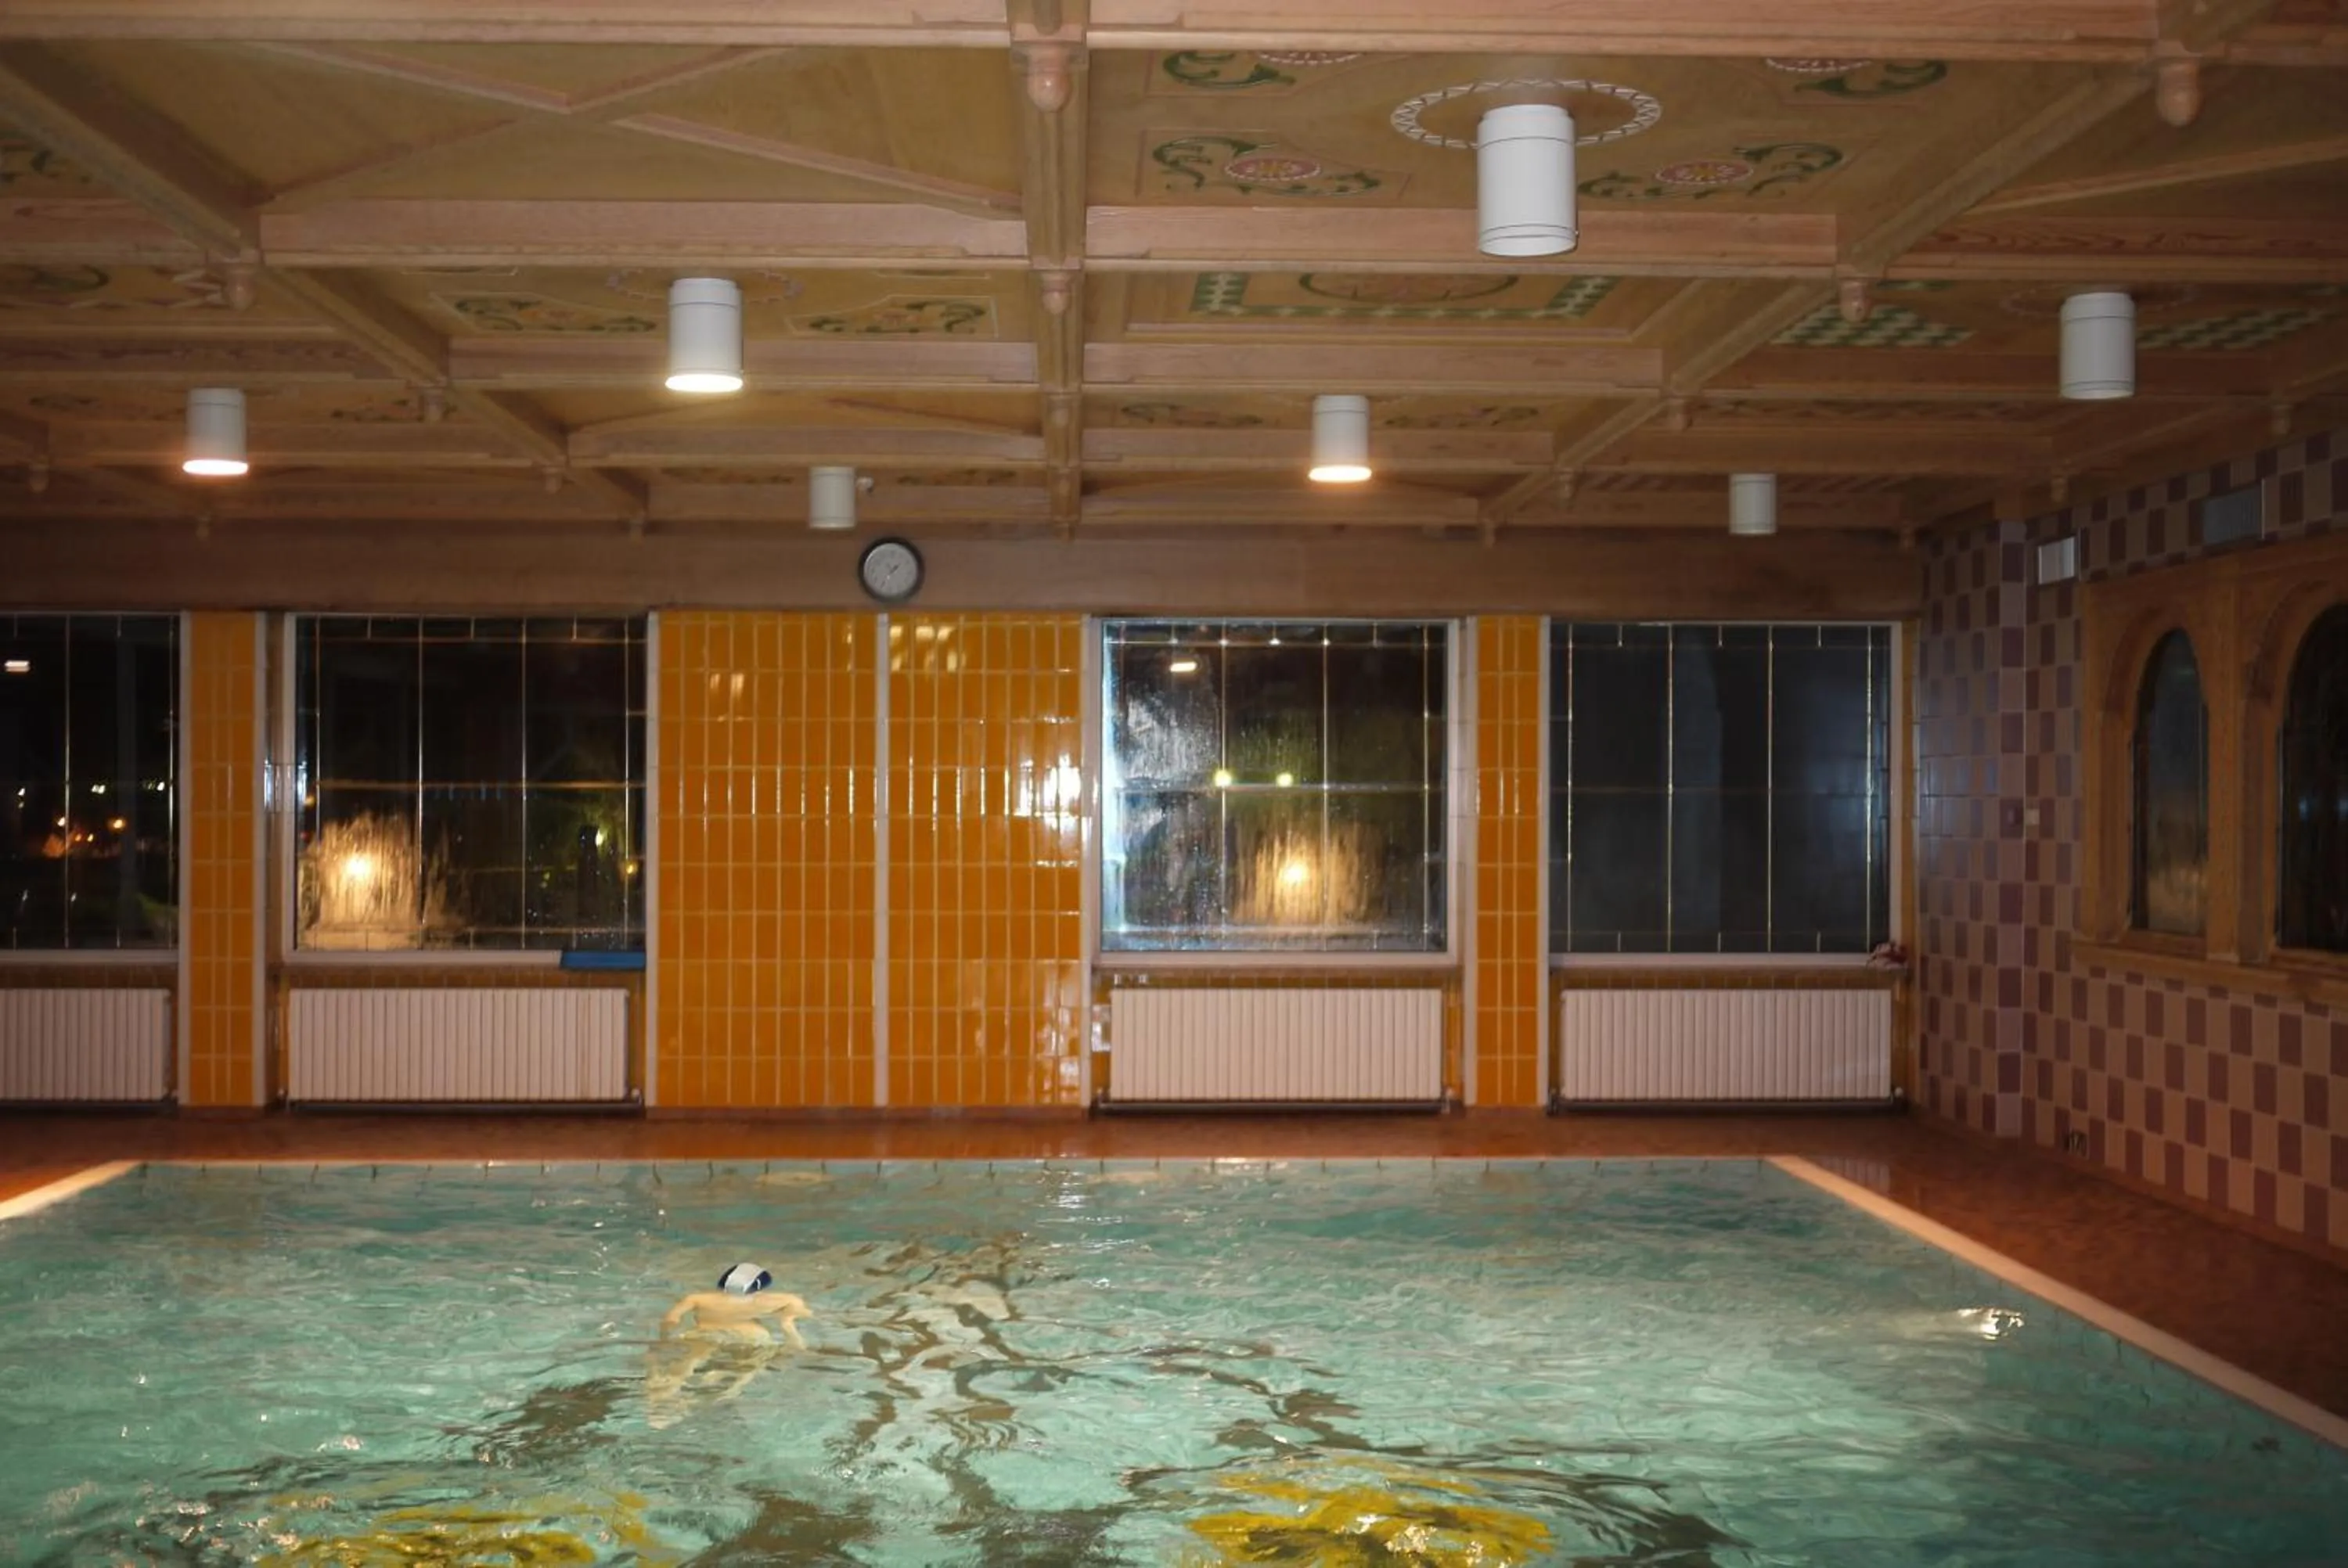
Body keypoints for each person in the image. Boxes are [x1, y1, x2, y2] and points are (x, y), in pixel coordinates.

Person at [645, 1263, 811, 1428]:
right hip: (752, 1338)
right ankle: (705, 1401)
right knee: (743, 1374)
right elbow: (805, 1315)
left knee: (684, 1367)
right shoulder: (785, 1300)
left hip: (705, 1335)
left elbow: (670, 1320)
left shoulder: (697, 1298)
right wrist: (787, 1322)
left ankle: (660, 1405)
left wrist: (664, 1338)